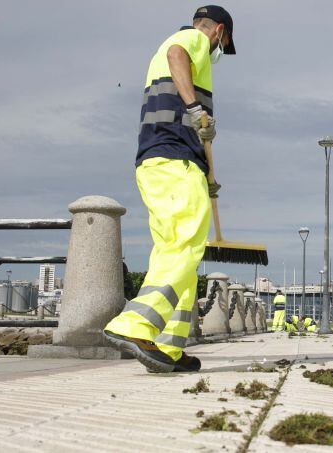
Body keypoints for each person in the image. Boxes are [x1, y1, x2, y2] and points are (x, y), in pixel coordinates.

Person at [102, 5, 237, 374]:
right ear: (219, 32)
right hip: (174, 159)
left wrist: (206, 172)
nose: (220, 51)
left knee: (177, 252)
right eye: (224, 44)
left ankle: (169, 347)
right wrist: (195, 108)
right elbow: (176, 55)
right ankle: (134, 324)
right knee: (185, 245)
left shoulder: (171, 59)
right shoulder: (191, 39)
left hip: (162, 161)